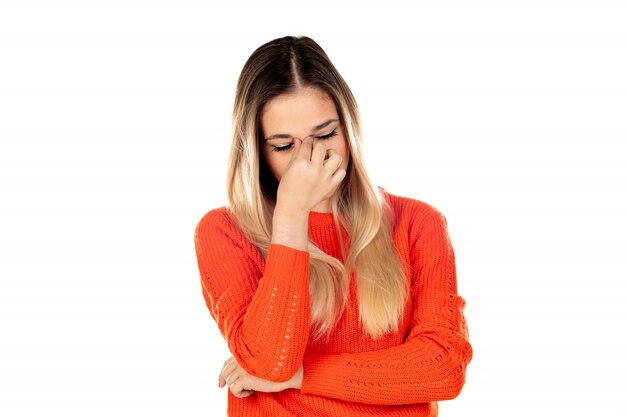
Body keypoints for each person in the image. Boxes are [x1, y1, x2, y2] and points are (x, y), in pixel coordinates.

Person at [194, 35, 472, 417]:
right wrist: (290, 216)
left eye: (325, 134)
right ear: (257, 150)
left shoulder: (418, 223)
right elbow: (269, 361)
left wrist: (301, 377)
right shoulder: (223, 232)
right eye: (283, 145)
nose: (310, 157)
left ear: (349, 128)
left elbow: (442, 368)